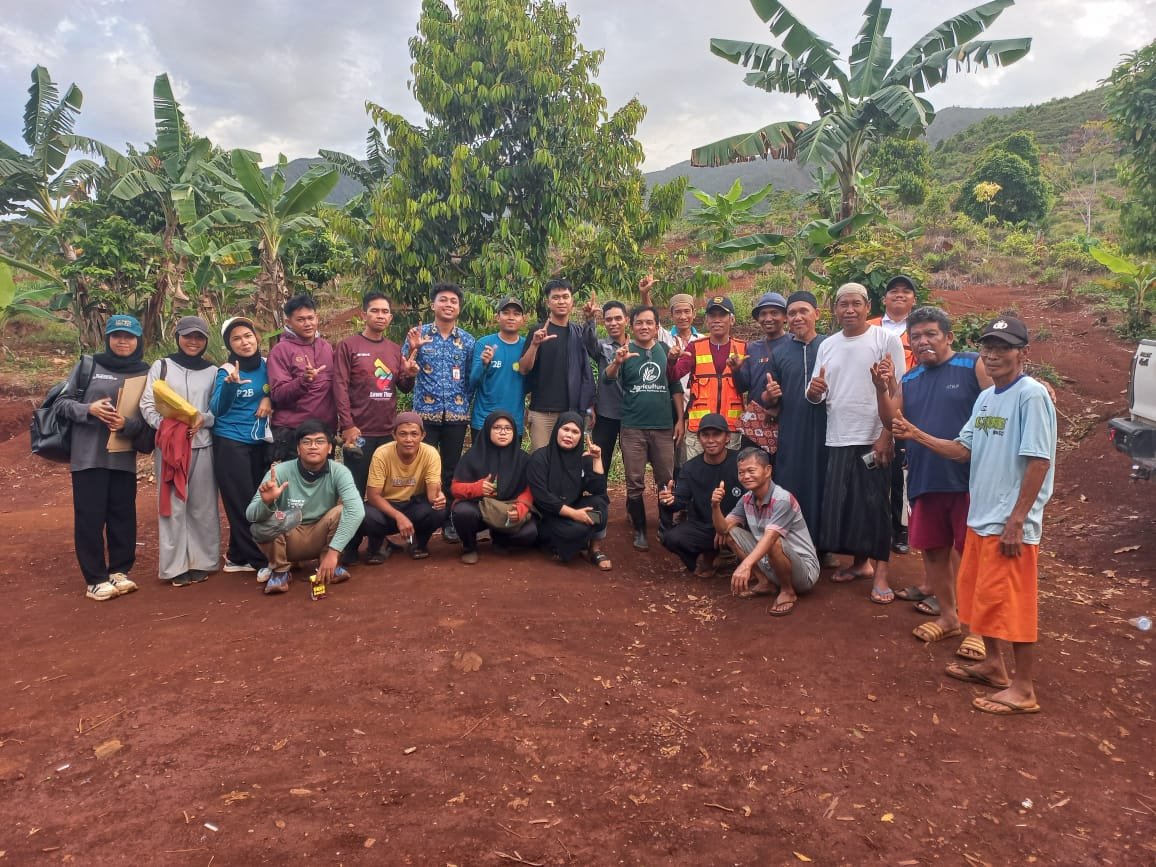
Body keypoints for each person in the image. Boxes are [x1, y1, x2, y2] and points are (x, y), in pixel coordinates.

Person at [892, 315, 1056, 716]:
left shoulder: (1031, 395)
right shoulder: (986, 400)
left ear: (1022, 353)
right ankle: (994, 666)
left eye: (1004, 348)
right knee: (980, 596)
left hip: (1009, 522)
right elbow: (962, 450)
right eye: (989, 348)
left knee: (1011, 602)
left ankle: (1024, 688)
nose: (994, 355)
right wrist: (916, 434)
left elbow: (1039, 461)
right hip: (982, 516)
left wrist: (1018, 519)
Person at [873, 307, 992, 660]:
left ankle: (978, 630)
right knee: (935, 552)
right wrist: (880, 389)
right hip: (925, 477)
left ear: (948, 337)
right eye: (916, 336)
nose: (923, 341)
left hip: (969, 480)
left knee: (972, 556)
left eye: (931, 334)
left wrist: (1038, 385)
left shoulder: (972, 365)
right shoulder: (910, 379)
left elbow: (1003, 395)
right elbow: (891, 419)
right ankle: (950, 618)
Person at [807, 283, 906, 603]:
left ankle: (881, 576)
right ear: (835, 310)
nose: (849, 310)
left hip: (873, 438)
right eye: (843, 304)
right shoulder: (828, 344)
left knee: (876, 505)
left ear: (867, 307)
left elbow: (898, 391)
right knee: (847, 504)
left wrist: (887, 435)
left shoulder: (885, 339)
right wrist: (814, 392)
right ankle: (861, 564)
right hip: (838, 436)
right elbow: (815, 392)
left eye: (856, 304)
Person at [58, 314, 150, 601]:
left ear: (138, 341)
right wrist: (89, 409)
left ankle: (119, 571)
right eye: (117, 336)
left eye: (129, 337)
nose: (123, 341)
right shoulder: (89, 366)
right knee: (90, 518)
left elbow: (148, 418)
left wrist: (126, 424)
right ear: (108, 338)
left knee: (123, 516)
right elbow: (61, 404)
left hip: (123, 457)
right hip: (88, 457)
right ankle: (95, 579)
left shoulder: (146, 372)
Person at [140, 315, 221, 587]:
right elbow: (147, 404)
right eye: (188, 336)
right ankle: (174, 567)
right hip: (170, 448)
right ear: (178, 337)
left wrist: (202, 419)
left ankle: (203, 561)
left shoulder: (213, 371)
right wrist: (166, 427)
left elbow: (217, 409)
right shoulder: (162, 366)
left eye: (199, 337)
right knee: (172, 505)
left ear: (206, 340)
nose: (193, 342)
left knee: (203, 505)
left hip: (203, 444)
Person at [246, 420, 364, 595]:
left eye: (319, 441)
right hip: (288, 535)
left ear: (330, 448)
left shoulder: (339, 471)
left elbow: (357, 510)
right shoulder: (279, 472)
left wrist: (334, 552)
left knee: (343, 511)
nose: (313, 446)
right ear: (298, 448)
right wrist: (267, 503)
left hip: (320, 534)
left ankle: (328, 565)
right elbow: (251, 515)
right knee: (261, 526)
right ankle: (280, 571)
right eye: (306, 442)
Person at [603, 305, 683, 551]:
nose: (644, 327)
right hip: (633, 427)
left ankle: (665, 526)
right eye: (639, 322)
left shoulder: (666, 350)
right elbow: (607, 379)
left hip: (663, 426)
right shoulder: (625, 351)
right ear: (632, 326)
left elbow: (675, 387)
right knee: (634, 479)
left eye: (649, 322)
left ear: (657, 327)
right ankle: (639, 529)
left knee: (665, 478)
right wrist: (617, 363)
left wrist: (680, 419)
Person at [403, 282, 474, 541]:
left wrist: (464, 404)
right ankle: (422, 521)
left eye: (453, 301)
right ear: (433, 305)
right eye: (443, 300)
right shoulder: (417, 335)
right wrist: (413, 352)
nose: (448, 305)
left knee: (451, 469)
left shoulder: (467, 341)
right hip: (425, 416)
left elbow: (471, 377)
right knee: (423, 469)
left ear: (459, 307)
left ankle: (449, 521)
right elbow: (404, 370)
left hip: (456, 415)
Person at [712, 447, 820, 617]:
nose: (746, 476)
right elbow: (723, 529)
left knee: (773, 541)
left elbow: (771, 538)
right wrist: (715, 506)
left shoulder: (783, 499)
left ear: (768, 470)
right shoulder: (746, 499)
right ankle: (765, 582)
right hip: (772, 564)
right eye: (741, 472)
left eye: (751, 471)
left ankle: (787, 591)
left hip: (804, 573)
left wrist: (745, 565)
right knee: (731, 533)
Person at [765, 291, 828, 549]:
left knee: (824, 485)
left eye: (803, 311)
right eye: (792, 313)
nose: (797, 317)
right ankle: (792, 545)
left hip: (827, 431)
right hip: (791, 431)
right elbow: (770, 400)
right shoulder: (780, 353)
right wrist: (770, 395)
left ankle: (824, 545)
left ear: (817, 314)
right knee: (791, 486)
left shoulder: (831, 346)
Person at [335, 291, 414, 497]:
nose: (380, 316)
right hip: (359, 431)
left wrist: (410, 375)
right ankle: (354, 520)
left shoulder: (394, 349)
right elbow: (340, 387)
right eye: (375, 311)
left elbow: (404, 387)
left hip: (388, 431)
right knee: (355, 490)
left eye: (385, 312)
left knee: (384, 490)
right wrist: (347, 425)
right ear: (364, 315)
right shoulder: (348, 346)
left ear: (390, 317)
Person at [210, 316, 272, 577]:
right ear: (229, 345)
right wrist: (230, 387)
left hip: (260, 443)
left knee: (259, 499)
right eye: (236, 339)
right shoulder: (225, 371)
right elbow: (217, 409)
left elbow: (279, 388)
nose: (244, 342)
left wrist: (269, 398)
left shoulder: (268, 365)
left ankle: (236, 557)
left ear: (256, 337)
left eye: (248, 335)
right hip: (231, 442)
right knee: (242, 504)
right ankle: (260, 561)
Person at [352, 412, 448, 562]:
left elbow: (432, 495)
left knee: (439, 511)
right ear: (394, 435)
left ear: (422, 435)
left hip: (413, 505)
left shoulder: (431, 453)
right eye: (403, 434)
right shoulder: (382, 453)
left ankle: (418, 543)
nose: (408, 439)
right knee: (363, 515)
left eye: (414, 434)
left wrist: (439, 497)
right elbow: (372, 496)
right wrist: (399, 516)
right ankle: (379, 544)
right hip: (386, 508)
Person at [869, 275, 919, 554]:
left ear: (913, 299)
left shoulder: (919, 329)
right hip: (872, 406)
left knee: (901, 472)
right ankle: (874, 525)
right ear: (884, 299)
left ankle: (901, 530)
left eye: (906, 292)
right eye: (893, 291)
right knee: (871, 468)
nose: (899, 295)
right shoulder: (870, 326)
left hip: (908, 410)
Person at [658, 413, 742, 576]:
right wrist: (670, 500)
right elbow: (680, 500)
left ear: (727, 437)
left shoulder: (740, 463)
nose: (710, 440)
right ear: (699, 438)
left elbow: (752, 499)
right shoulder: (690, 468)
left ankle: (750, 567)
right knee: (671, 538)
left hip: (736, 526)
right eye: (705, 435)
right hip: (705, 527)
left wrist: (729, 525)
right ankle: (708, 558)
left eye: (716, 434)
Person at [450, 410, 538, 564]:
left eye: (508, 428)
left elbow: (529, 489)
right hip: (479, 509)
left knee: (529, 533)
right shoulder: (473, 455)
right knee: (463, 512)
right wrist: (476, 488)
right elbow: (455, 488)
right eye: (497, 428)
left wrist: (521, 507)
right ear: (487, 430)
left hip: (507, 510)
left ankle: (500, 538)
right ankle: (470, 547)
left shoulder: (523, 459)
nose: (503, 432)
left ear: (514, 432)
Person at [518, 278, 596, 450]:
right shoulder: (538, 331)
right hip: (542, 412)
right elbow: (523, 369)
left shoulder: (578, 332)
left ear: (572, 301)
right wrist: (535, 344)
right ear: (548, 302)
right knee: (540, 459)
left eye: (565, 297)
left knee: (568, 461)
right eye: (556, 297)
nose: (561, 301)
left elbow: (593, 350)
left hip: (571, 412)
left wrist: (590, 320)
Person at [527, 412, 611, 569]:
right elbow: (542, 497)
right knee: (575, 530)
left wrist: (597, 459)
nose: (569, 435)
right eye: (565, 429)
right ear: (557, 430)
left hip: (574, 509)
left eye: (575, 432)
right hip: (548, 516)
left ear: (580, 436)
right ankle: (558, 542)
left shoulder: (583, 458)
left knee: (600, 506)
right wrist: (574, 514)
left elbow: (599, 490)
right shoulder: (540, 458)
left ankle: (594, 549)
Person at [667, 295, 746, 458]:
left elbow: (747, 386)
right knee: (696, 471)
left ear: (732, 320)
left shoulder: (743, 348)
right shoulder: (695, 347)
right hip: (700, 429)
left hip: (730, 429)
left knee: (729, 471)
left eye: (722, 315)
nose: (717, 320)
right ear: (706, 321)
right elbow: (674, 376)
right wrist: (672, 360)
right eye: (712, 315)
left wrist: (738, 371)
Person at [267, 294, 336, 459]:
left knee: (325, 476)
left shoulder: (326, 347)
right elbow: (278, 395)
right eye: (301, 320)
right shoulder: (280, 351)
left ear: (317, 317)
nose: (307, 323)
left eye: (310, 318)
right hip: (293, 432)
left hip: (324, 431)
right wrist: (303, 381)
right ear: (288, 322)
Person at [734, 291, 790, 455]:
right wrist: (736, 370)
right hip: (757, 423)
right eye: (763, 314)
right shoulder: (753, 348)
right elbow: (743, 387)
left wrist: (777, 407)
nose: (768, 318)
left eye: (774, 313)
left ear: (785, 317)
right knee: (753, 463)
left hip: (785, 421)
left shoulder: (794, 344)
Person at [469, 296, 529, 440]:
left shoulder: (527, 347)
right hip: (484, 420)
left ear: (523, 319)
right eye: (506, 313)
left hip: (513, 422)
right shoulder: (484, 344)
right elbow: (473, 382)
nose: (511, 317)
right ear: (497, 317)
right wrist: (484, 364)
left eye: (516, 314)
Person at [586, 300, 628, 473]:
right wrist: (590, 320)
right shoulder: (602, 346)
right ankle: (598, 490)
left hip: (632, 415)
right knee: (600, 462)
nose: (613, 323)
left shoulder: (636, 346)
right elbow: (589, 343)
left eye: (618, 318)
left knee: (632, 463)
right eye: (609, 319)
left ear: (626, 320)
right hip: (606, 413)